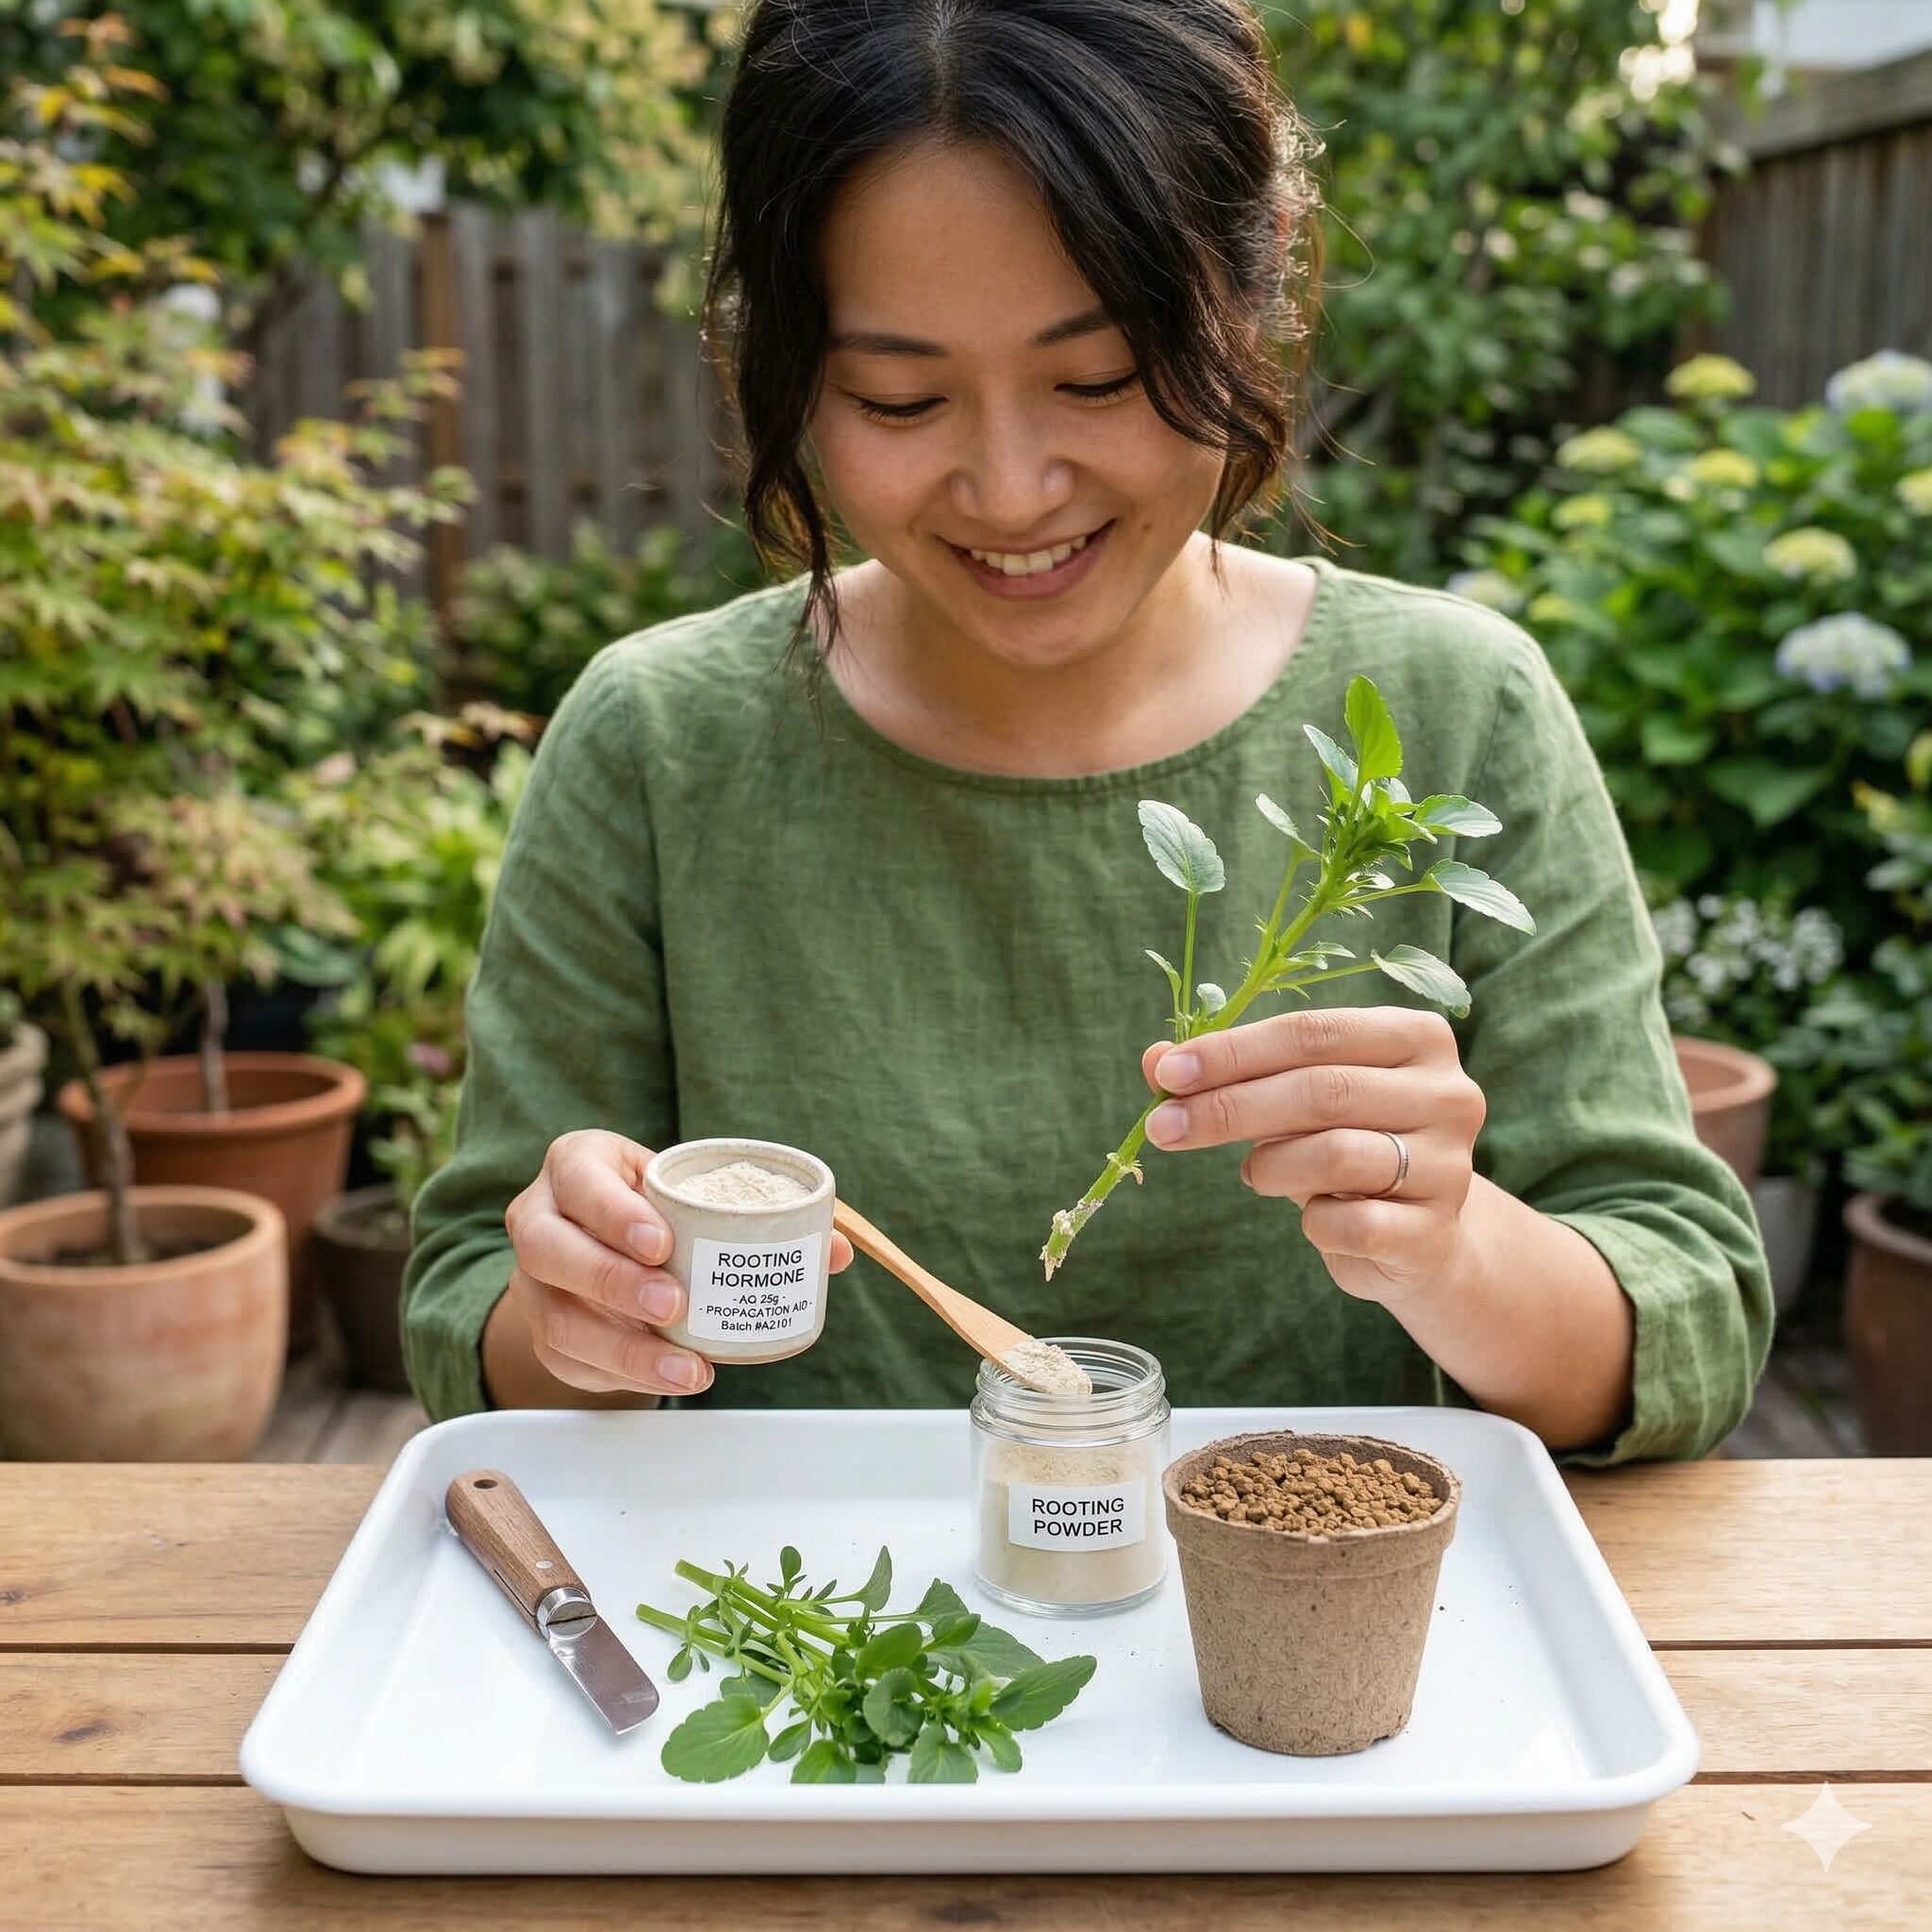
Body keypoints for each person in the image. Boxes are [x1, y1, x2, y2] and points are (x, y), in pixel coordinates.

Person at [403, 0, 1771, 1465]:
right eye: (899, 396)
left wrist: (1449, 1248)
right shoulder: (658, 741)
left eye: (1101, 376)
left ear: (1253, 299)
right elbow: (466, 1300)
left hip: (1311, 1658)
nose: (1007, 487)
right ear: (791, 373)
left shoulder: (1455, 709)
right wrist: (577, 1308)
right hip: (785, 1645)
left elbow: (1685, 1311)